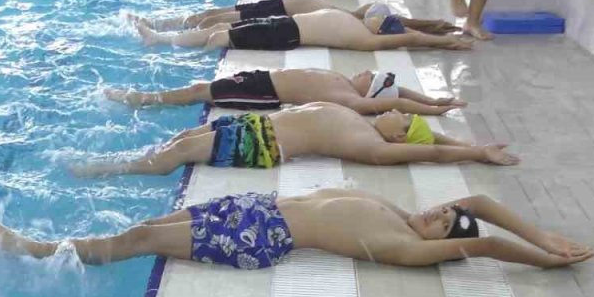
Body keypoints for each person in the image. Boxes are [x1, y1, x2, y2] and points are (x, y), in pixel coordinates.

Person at [0, 188, 594, 271]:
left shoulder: (408, 247)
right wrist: (543, 227)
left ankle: (32, 251)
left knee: (140, 238)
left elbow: (482, 236)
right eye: (443, 212)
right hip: (256, 208)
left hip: (260, 236)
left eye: (445, 223)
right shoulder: (400, 215)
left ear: (444, 244)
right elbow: (480, 202)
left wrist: (540, 254)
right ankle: (47, 247)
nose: (438, 212)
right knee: (146, 223)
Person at [69, 104, 516, 178]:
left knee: (182, 152)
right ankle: (132, 158)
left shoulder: (373, 144)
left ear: (399, 134)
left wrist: (475, 152)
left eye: (400, 116)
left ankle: (112, 167)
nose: (392, 108)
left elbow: (430, 148)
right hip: (254, 125)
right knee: (188, 136)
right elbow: (429, 135)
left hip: (261, 146)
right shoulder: (365, 120)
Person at [104, 68, 466, 115]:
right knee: (203, 88)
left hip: (264, 94)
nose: (365, 70)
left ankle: (145, 100)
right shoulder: (345, 82)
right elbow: (398, 89)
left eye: (370, 76)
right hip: (262, 79)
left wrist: (433, 109)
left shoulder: (350, 98)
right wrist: (431, 96)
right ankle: (147, 98)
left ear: (369, 90)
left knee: (203, 91)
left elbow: (394, 99)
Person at [132, 6, 473, 52]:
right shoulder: (357, 22)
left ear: (381, 28)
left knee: (221, 36)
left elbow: (409, 36)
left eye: (375, 15)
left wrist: (442, 43)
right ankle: (163, 38)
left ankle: (162, 42)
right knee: (222, 25)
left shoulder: (366, 38)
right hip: (283, 26)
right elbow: (409, 26)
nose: (368, 12)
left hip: (284, 34)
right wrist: (438, 26)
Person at [137, 0, 459, 34]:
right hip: (280, 6)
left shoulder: (356, 26)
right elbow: (405, 26)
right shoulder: (352, 15)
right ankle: (162, 26)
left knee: (214, 20)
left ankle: (161, 32)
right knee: (213, 16)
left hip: (280, 11)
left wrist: (432, 34)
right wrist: (433, 25)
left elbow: (403, 32)